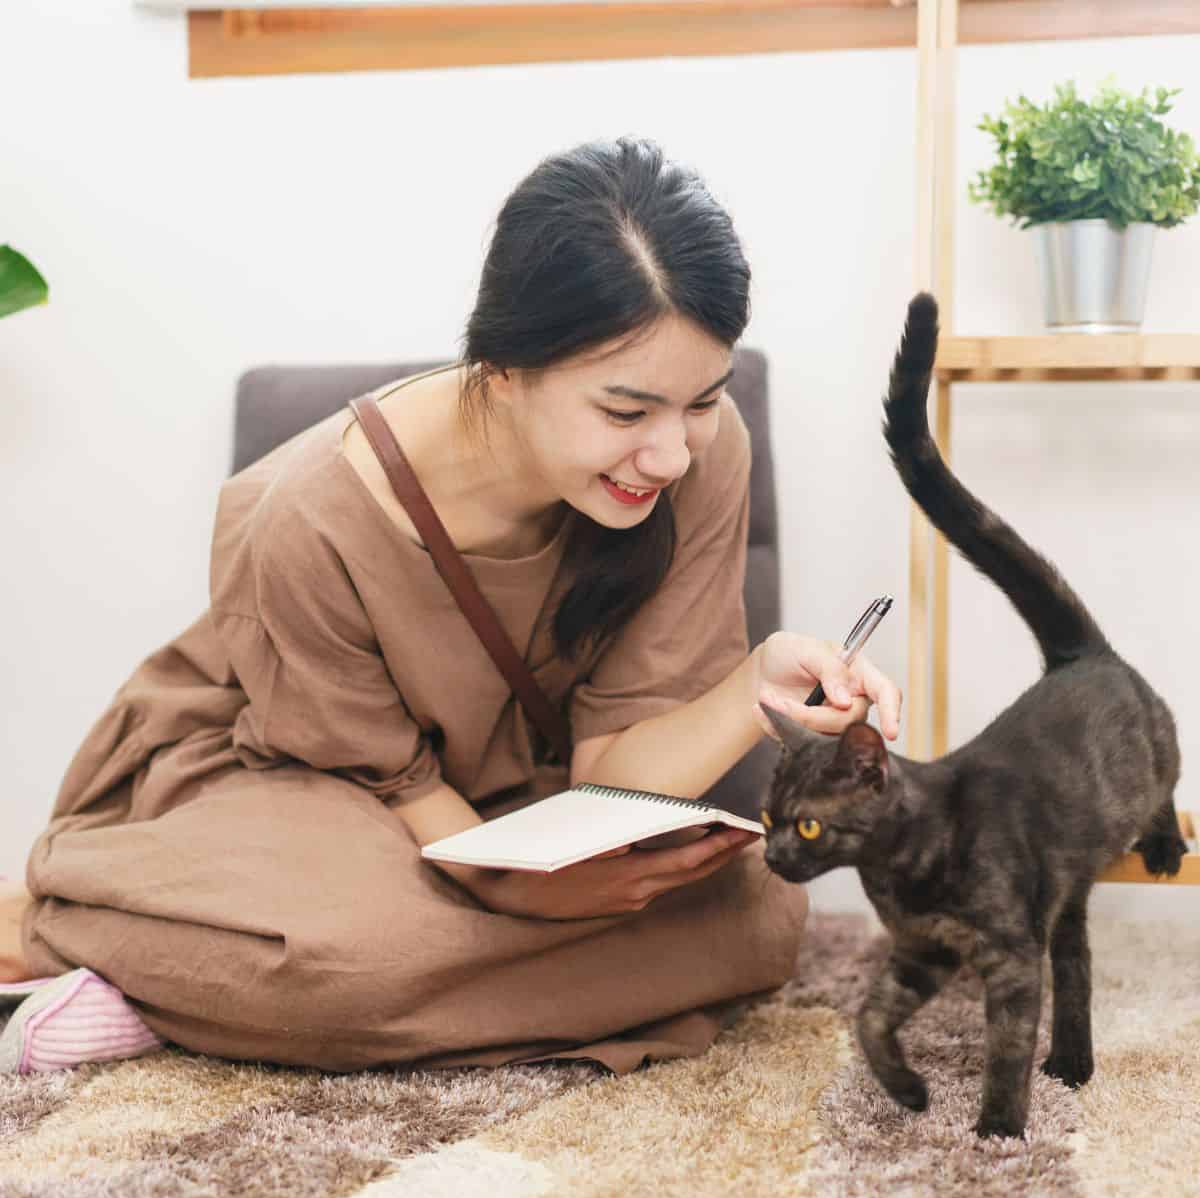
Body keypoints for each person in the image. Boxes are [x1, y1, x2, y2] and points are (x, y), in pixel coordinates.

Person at [0, 136, 900, 1077]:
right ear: (504, 370)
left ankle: (208, 989)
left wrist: (749, 687)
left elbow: (612, 771)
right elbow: (396, 785)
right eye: (627, 414)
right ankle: (67, 920)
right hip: (295, 777)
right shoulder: (305, 515)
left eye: (702, 401)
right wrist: (507, 894)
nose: (672, 453)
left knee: (758, 918)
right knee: (356, 961)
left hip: (527, 802)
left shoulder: (702, 458)